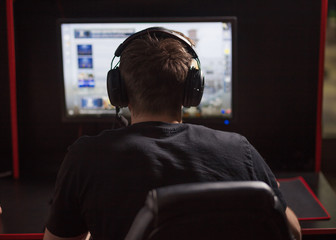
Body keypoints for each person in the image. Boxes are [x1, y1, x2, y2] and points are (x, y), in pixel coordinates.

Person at [44, 27, 301, 240]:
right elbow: (292, 233)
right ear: (192, 91)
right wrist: (270, 187)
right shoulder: (239, 150)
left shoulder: (86, 157)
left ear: (119, 92)